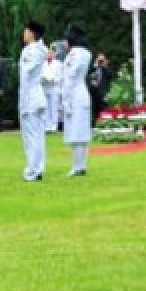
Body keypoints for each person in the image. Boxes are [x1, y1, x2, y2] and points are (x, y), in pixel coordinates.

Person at [62, 24, 92, 177]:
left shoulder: (76, 54)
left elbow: (70, 76)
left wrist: (66, 99)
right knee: (80, 130)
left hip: (75, 93)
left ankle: (78, 166)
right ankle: (80, 165)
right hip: (80, 92)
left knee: (77, 131)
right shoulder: (85, 53)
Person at [19, 20, 48, 182]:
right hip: (36, 95)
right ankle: (38, 166)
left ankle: (33, 169)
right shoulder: (39, 49)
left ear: (32, 34)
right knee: (37, 134)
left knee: (32, 135)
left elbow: (27, 72)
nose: (24, 34)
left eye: (26, 31)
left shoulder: (31, 50)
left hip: (31, 96)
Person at [41, 46, 62, 133]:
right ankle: (47, 125)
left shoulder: (59, 64)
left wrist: (53, 79)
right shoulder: (43, 63)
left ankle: (54, 125)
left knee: (54, 107)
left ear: (54, 53)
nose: (49, 54)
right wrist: (43, 78)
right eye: (48, 52)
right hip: (45, 87)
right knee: (46, 107)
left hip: (54, 87)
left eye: (51, 52)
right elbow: (40, 74)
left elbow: (61, 76)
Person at [88, 53, 111, 123]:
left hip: (102, 92)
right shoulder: (92, 68)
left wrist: (105, 66)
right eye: (99, 60)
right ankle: (93, 122)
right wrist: (95, 66)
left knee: (102, 109)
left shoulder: (105, 70)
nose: (100, 62)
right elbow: (87, 73)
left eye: (102, 60)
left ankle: (101, 123)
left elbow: (110, 75)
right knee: (93, 109)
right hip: (92, 93)